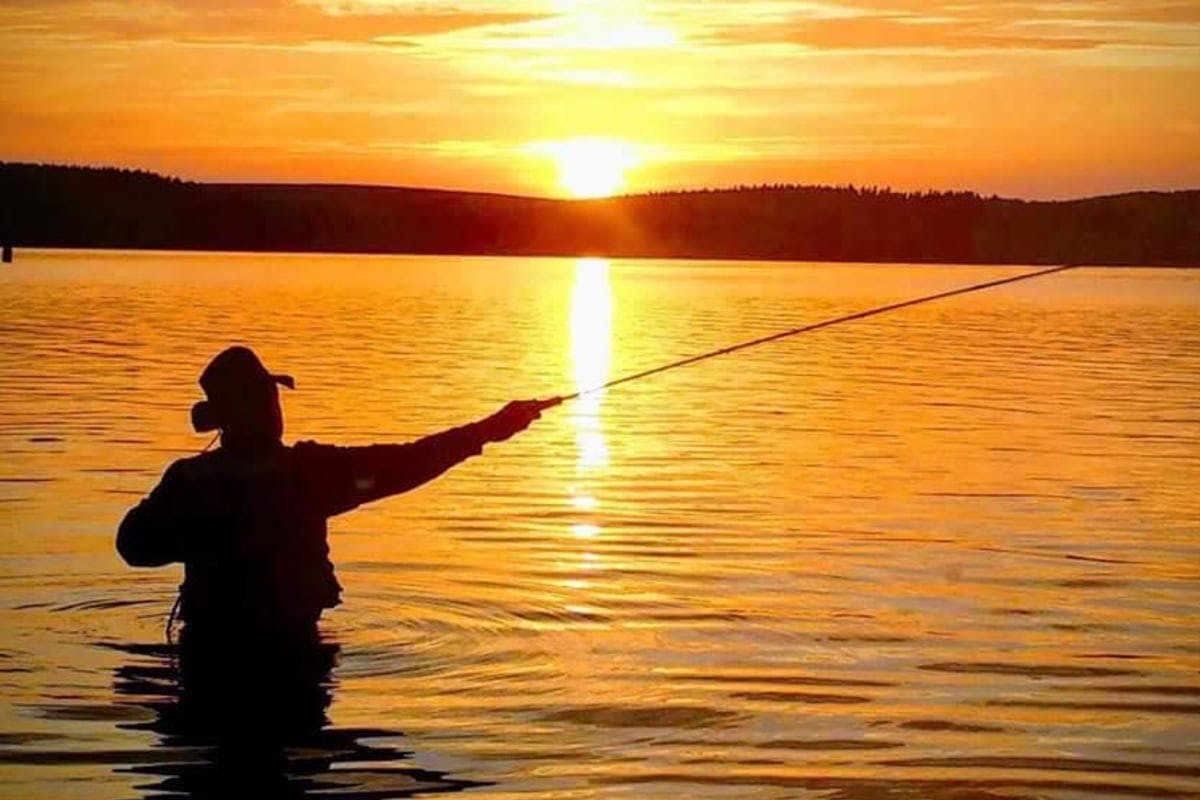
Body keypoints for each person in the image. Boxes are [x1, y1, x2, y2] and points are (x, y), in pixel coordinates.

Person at [117, 345, 558, 643]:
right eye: (269, 399)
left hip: (209, 654)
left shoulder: (190, 480)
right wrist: (491, 428)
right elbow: (410, 463)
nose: (277, 408)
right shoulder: (308, 473)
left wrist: (196, 531)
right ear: (258, 409)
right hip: (294, 652)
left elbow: (132, 546)